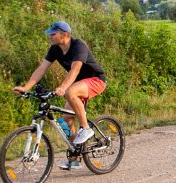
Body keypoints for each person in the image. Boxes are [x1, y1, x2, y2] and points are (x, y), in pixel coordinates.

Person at [14, 21, 107, 169]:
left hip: (95, 80)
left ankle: (86, 128)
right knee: (66, 121)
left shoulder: (79, 46)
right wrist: (26, 87)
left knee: (70, 92)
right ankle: (75, 158)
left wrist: (63, 87)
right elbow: (41, 69)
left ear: (66, 35)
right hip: (77, 85)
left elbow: (75, 70)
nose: (50, 36)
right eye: (50, 33)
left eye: (53, 33)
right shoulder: (55, 49)